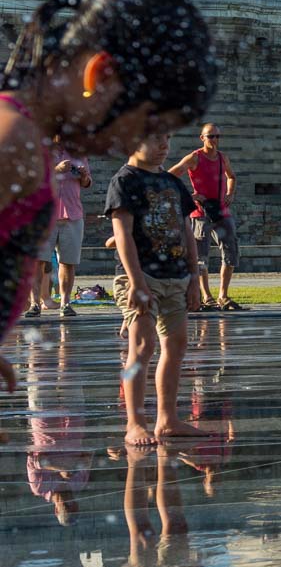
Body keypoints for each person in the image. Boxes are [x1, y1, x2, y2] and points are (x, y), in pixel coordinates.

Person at [0, 0, 216, 369]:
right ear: (100, 74)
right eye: (137, 123)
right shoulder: (14, 141)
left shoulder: (25, 136)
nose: (122, 144)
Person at [108, 132, 205, 445]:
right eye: (155, 139)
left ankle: (167, 419)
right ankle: (135, 422)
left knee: (176, 346)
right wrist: (136, 282)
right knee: (141, 347)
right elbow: (122, 236)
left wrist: (194, 275)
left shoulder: (171, 182)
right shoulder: (125, 181)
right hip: (141, 276)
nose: (165, 145)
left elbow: (187, 231)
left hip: (175, 275)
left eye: (167, 138)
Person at [169, 123, 242, 311]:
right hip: (201, 214)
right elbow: (170, 176)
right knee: (201, 257)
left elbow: (231, 176)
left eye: (217, 136)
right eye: (211, 136)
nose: (215, 140)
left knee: (230, 252)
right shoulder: (195, 157)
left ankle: (223, 296)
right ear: (202, 138)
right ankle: (206, 296)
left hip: (221, 212)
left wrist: (230, 193)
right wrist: (190, 195)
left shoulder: (222, 158)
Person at [26, 148, 91, 318]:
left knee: (68, 262)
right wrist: (55, 170)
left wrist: (84, 176)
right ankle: (34, 303)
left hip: (73, 214)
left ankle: (65, 303)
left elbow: (87, 182)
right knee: (38, 261)